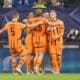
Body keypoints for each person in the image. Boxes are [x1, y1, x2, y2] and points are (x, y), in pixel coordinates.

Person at [47, 10, 64, 75]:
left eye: (53, 14)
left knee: (58, 57)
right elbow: (47, 31)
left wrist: (57, 36)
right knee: (53, 56)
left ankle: (58, 70)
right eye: (50, 14)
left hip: (59, 42)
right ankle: (56, 70)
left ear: (55, 15)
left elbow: (62, 33)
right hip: (51, 42)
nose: (51, 16)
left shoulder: (60, 22)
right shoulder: (48, 23)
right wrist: (48, 30)